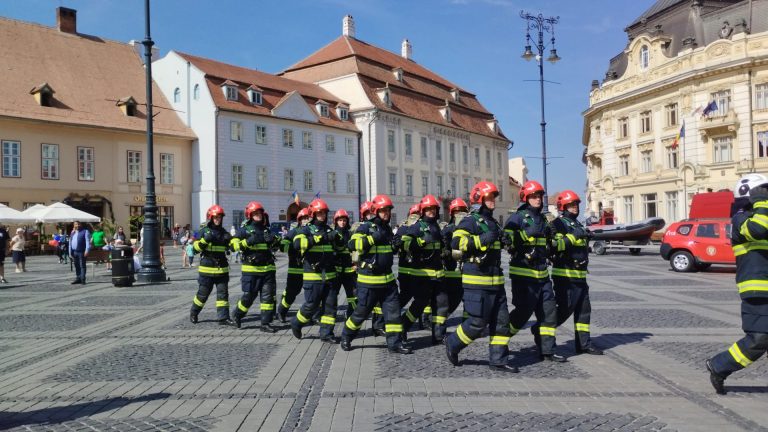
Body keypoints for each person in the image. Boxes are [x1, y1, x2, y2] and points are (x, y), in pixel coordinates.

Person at [444, 181, 517, 372]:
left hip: (496, 282)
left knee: (501, 323)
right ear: (479, 199)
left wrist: (505, 241)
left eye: (493, 197)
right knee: (477, 323)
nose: (492, 201)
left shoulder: (493, 223)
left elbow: (495, 245)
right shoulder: (470, 221)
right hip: (476, 281)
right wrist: (481, 239)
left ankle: (498, 360)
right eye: (488, 197)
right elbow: (456, 242)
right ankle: (452, 342)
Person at [706, 174, 768, 395]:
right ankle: (719, 366)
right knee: (758, 340)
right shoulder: (740, 219)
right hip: (758, 290)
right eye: (763, 191)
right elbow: (758, 230)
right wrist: (761, 203)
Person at [341, 194, 412, 354]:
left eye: (388, 210)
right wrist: (372, 239)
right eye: (383, 210)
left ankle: (394, 343)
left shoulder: (387, 229)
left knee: (393, 314)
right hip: (369, 282)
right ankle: (346, 335)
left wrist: (395, 246)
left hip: (388, 281)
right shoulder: (366, 227)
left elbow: (387, 251)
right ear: (376, 211)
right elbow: (352, 244)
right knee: (361, 313)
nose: (386, 213)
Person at [505, 180, 566, 362]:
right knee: (522, 313)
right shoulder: (517, 217)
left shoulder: (545, 219)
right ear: (526, 197)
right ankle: (500, 340)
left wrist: (554, 241)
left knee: (549, 313)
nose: (538, 199)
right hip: (523, 274)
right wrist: (525, 234)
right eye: (533, 196)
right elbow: (506, 239)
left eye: (539, 196)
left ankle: (547, 350)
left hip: (542, 275)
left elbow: (551, 242)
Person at [551, 190, 603, 356]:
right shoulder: (557, 224)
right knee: (564, 310)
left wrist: (586, 236)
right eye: (571, 205)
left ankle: (583, 344)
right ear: (563, 206)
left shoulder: (577, 224)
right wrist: (575, 236)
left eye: (576, 204)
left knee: (584, 311)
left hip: (580, 276)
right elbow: (556, 246)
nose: (575, 207)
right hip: (565, 276)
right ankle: (542, 331)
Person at [291, 198, 343, 343]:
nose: (322, 215)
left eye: (324, 213)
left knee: (330, 307)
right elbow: (297, 244)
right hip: (313, 275)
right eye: (319, 213)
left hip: (330, 275)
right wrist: (317, 239)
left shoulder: (329, 230)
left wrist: (338, 239)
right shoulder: (306, 229)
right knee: (311, 305)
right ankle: (296, 322)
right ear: (313, 214)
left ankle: (326, 333)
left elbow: (339, 248)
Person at [399, 195, 444, 343]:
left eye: (434, 209)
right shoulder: (417, 226)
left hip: (437, 274)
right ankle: (403, 326)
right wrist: (421, 242)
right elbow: (405, 245)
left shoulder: (436, 226)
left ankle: (437, 335)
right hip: (422, 275)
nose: (432, 211)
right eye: (428, 209)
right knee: (419, 305)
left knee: (440, 305)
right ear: (423, 211)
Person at [230, 201, 280, 332]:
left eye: (260, 213)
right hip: (251, 270)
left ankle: (265, 323)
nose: (258, 215)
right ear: (250, 215)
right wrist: (248, 242)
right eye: (255, 213)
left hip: (268, 269)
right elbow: (233, 246)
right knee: (249, 297)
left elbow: (276, 247)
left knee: (268, 298)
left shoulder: (266, 230)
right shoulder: (244, 230)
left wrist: (274, 241)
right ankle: (237, 315)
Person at [190, 205, 234, 325]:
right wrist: (204, 241)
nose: (217, 220)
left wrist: (231, 241)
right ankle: (194, 312)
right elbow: (194, 249)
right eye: (215, 217)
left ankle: (223, 318)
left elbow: (233, 248)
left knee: (223, 295)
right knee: (202, 295)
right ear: (210, 218)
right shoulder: (204, 231)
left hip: (222, 270)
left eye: (219, 217)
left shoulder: (224, 233)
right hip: (207, 270)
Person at [434, 198, 469, 342]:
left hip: (467, 272)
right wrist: (446, 252)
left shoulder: (470, 228)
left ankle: (467, 328)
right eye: (457, 212)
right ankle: (438, 331)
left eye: (462, 211)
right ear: (452, 213)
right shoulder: (448, 229)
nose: (460, 214)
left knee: (466, 301)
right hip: (451, 272)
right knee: (446, 304)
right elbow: (442, 245)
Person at [277, 208, 311, 322]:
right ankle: (282, 311)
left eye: (308, 218)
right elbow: (283, 247)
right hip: (295, 268)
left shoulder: (312, 232)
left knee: (312, 294)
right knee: (292, 293)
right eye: (303, 218)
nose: (306, 220)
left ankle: (312, 315)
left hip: (310, 269)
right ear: (299, 220)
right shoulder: (293, 232)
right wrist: (292, 246)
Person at [332, 209, 357, 320]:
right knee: (332, 295)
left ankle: (351, 314)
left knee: (353, 296)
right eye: (340, 220)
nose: (342, 222)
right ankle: (331, 315)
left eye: (344, 220)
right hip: (336, 271)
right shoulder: (332, 234)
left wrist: (355, 263)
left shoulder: (350, 234)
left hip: (349, 271)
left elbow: (355, 251)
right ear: (336, 221)